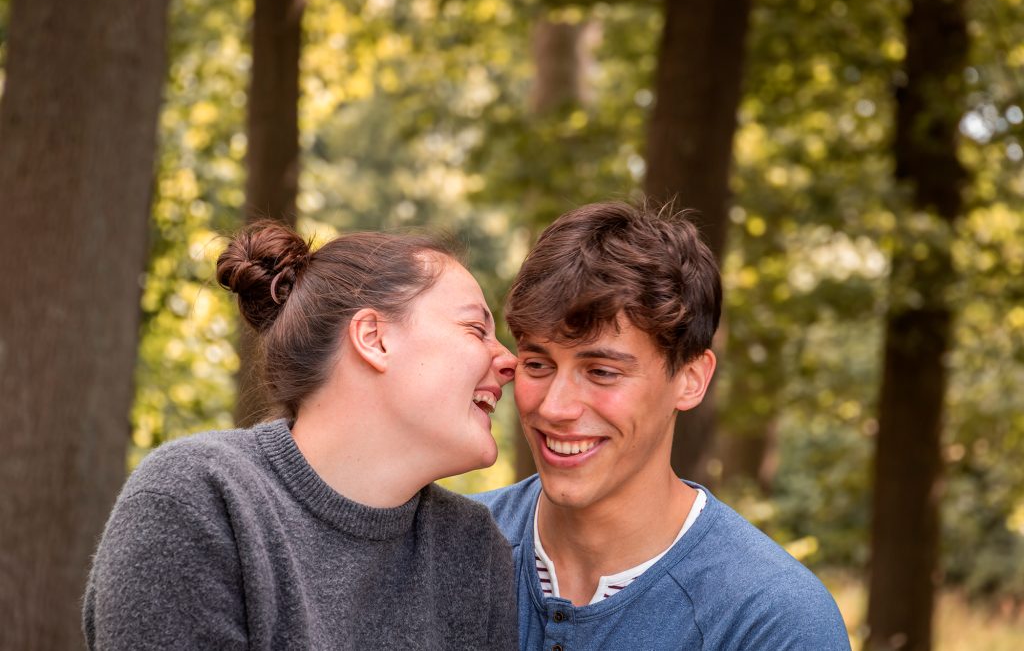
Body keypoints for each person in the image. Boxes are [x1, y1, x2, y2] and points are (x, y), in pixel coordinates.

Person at [84, 221, 519, 649]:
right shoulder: (197, 498)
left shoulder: (473, 548)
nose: (510, 362)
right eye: (476, 330)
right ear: (374, 338)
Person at [475, 201, 850, 650]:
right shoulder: (447, 549)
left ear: (691, 380)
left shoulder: (774, 620)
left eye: (601, 372)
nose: (555, 407)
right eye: (537, 363)